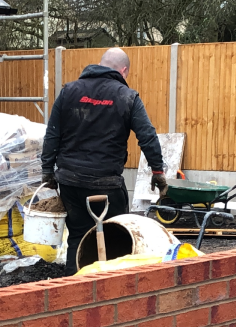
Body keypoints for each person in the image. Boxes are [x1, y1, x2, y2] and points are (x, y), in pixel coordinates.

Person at [41, 48, 167, 271]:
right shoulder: (127, 97)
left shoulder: (69, 91)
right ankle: (110, 286)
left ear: (100, 64)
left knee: (77, 235)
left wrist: (47, 170)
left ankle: (74, 284)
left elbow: (52, 134)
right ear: (124, 70)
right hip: (106, 184)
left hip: (70, 182)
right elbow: (147, 136)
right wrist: (157, 171)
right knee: (115, 236)